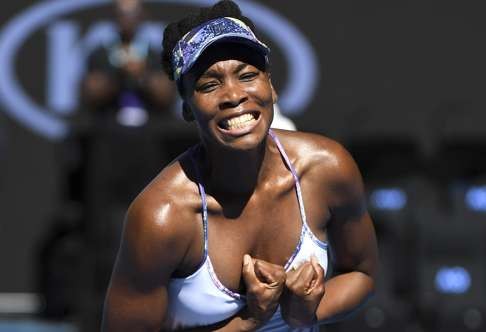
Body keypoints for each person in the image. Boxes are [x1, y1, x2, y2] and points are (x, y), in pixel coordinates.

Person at [102, 1, 378, 331]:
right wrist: (250, 321)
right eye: (209, 84)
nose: (233, 95)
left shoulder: (326, 168)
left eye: (247, 75)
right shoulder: (162, 216)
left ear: (271, 86)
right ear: (188, 107)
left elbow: (361, 272)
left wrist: (303, 312)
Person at [82, 0, 174, 125]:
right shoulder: (100, 54)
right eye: (122, 14)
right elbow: (90, 96)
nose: (127, 19)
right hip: (108, 128)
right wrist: (118, 73)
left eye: (132, 14)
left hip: (151, 131)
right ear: (114, 17)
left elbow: (167, 97)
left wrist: (142, 76)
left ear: (141, 16)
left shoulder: (155, 54)